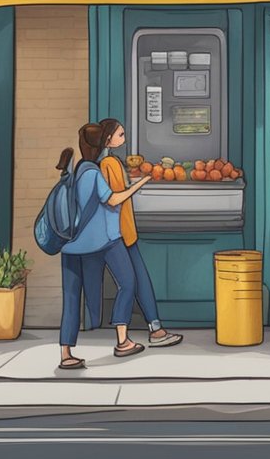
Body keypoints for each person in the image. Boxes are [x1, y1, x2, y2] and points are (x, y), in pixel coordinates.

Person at [56, 123, 151, 370]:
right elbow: (113, 199)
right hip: (105, 240)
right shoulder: (94, 173)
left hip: (72, 246)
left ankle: (66, 354)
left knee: (71, 297)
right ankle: (122, 340)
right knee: (128, 283)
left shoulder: (76, 171)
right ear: (102, 144)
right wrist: (140, 184)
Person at [84, 118, 184, 348]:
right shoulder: (110, 162)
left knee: (138, 281)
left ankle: (155, 329)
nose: (124, 138)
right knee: (133, 281)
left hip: (117, 231)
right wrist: (142, 182)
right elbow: (117, 196)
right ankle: (141, 334)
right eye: (120, 134)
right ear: (108, 139)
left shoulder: (103, 162)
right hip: (120, 231)